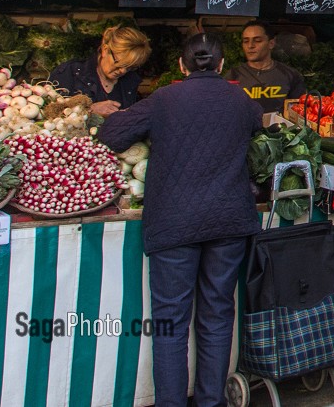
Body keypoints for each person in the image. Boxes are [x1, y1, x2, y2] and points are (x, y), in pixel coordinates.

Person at [99, 33, 263, 407]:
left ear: (181, 66)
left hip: (175, 223)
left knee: (170, 321)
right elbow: (259, 128)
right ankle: (211, 401)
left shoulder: (163, 99)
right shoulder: (240, 99)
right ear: (222, 65)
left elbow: (111, 134)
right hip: (228, 222)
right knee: (218, 313)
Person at [50, 25, 152, 116]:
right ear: (105, 50)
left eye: (130, 67)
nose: (123, 71)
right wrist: (90, 110)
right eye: (118, 63)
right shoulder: (70, 72)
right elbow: (47, 113)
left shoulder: (130, 81)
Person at [227, 21, 306, 113]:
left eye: (257, 41)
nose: (250, 46)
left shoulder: (290, 75)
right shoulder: (233, 75)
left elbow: (300, 111)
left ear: (271, 43)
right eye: (246, 41)